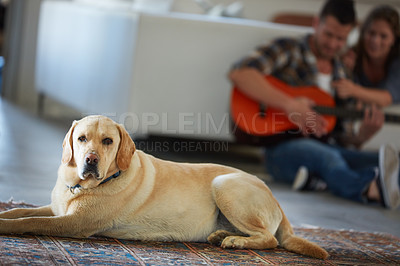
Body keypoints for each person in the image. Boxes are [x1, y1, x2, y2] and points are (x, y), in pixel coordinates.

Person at [229, 0, 400, 209]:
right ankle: (368, 188)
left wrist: (362, 135)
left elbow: (343, 140)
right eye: (328, 34)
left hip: (327, 149)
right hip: (278, 151)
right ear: (317, 23)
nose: (333, 44)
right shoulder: (289, 49)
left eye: (341, 39)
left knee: (374, 159)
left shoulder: (344, 74)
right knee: (326, 156)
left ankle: (319, 181)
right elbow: (240, 73)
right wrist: (289, 104)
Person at [333, 5, 400, 108]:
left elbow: (386, 98)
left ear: (394, 39)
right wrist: (346, 70)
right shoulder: (352, 55)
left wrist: (353, 90)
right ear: (363, 32)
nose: (375, 41)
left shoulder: (397, 62)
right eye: (371, 33)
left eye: (383, 36)